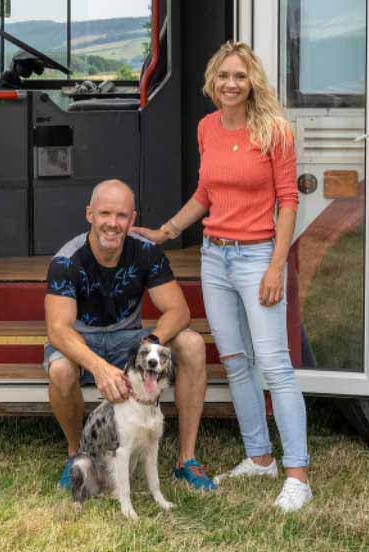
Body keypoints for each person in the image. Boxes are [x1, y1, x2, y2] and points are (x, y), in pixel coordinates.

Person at [132, 42, 312, 513]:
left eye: (240, 76)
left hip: (257, 258)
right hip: (216, 257)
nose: (231, 84)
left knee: (274, 365)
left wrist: (276, 265)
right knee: (235, 361)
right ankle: (259, 457)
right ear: (213, 82)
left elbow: (289, 201)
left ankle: (298, 474)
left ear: (253, 81)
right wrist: (167, 230)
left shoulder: (275, 131)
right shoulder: (207, 128)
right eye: (223, 76)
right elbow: (206, 192)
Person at [44, 179, 216, 493]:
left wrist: (151, 342)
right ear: (89, 215)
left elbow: (178, 311)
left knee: (191, 343)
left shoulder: (146, 253)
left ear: (132, 219)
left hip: (131, 339)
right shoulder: (67, 260)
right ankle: (76, 456)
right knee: (60, 370)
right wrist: (99, 367)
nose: (112, 223)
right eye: (104, 213)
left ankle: (186, 460)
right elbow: (58, 330)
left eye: (121, 215)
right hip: (82, 341)